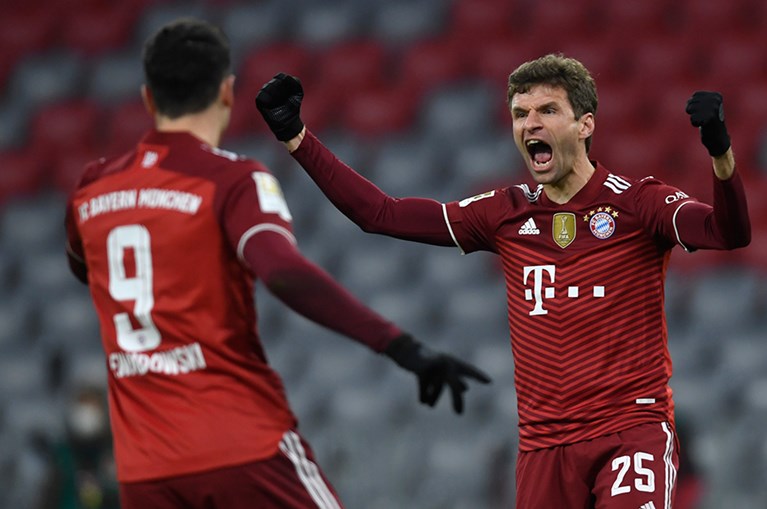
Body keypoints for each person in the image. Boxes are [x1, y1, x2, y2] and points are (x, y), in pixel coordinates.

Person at [255, 54, 751, 508]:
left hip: (629, 431)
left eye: (547, 110)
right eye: (520, 113)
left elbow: (728, 233)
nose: (530, 123)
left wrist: (720, 152)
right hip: (544, 447)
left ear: (585, 125)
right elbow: (380, 214)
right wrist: (297, 137)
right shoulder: (504, 212)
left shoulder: (639, 203)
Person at [64, 18, 490, 509]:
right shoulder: (233, 180)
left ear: (147, 98)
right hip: (244, 448)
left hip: (146, 470)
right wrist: (398, 345)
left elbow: (88, 271)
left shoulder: (92, 188)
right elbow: (283, 273)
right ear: (226, 92)